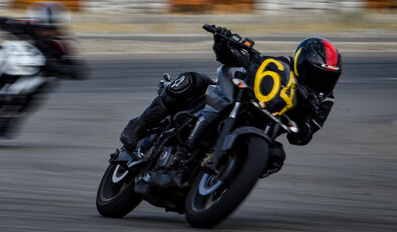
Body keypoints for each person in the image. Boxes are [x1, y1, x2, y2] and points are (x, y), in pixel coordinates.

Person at [120, 26, 342, 174]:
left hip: (259, 130)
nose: (321, 82)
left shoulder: (324, 100)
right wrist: (222, 45)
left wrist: (302, 115)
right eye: (317, 75)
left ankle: (227, 178)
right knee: (192, 81)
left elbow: (304, 137)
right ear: (301, 64)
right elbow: (244, 61)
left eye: (327, 78)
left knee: (274, 156)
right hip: (232, 103)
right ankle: (139, 126)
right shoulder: (278, 66)